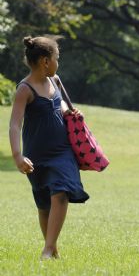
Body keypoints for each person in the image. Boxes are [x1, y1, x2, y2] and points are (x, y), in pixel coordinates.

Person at [9, 36, 89, 259]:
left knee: (61, 192)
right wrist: (17, 156)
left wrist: (69, 112)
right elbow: (15, 125)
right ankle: (52, 249)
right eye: (57, 58)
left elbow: (59, 103)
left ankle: (47, 248)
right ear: (45, 61)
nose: (58, 63)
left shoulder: (55, 81)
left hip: (62, 151)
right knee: (44, 202)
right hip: (36, 155)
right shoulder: (25, 89)